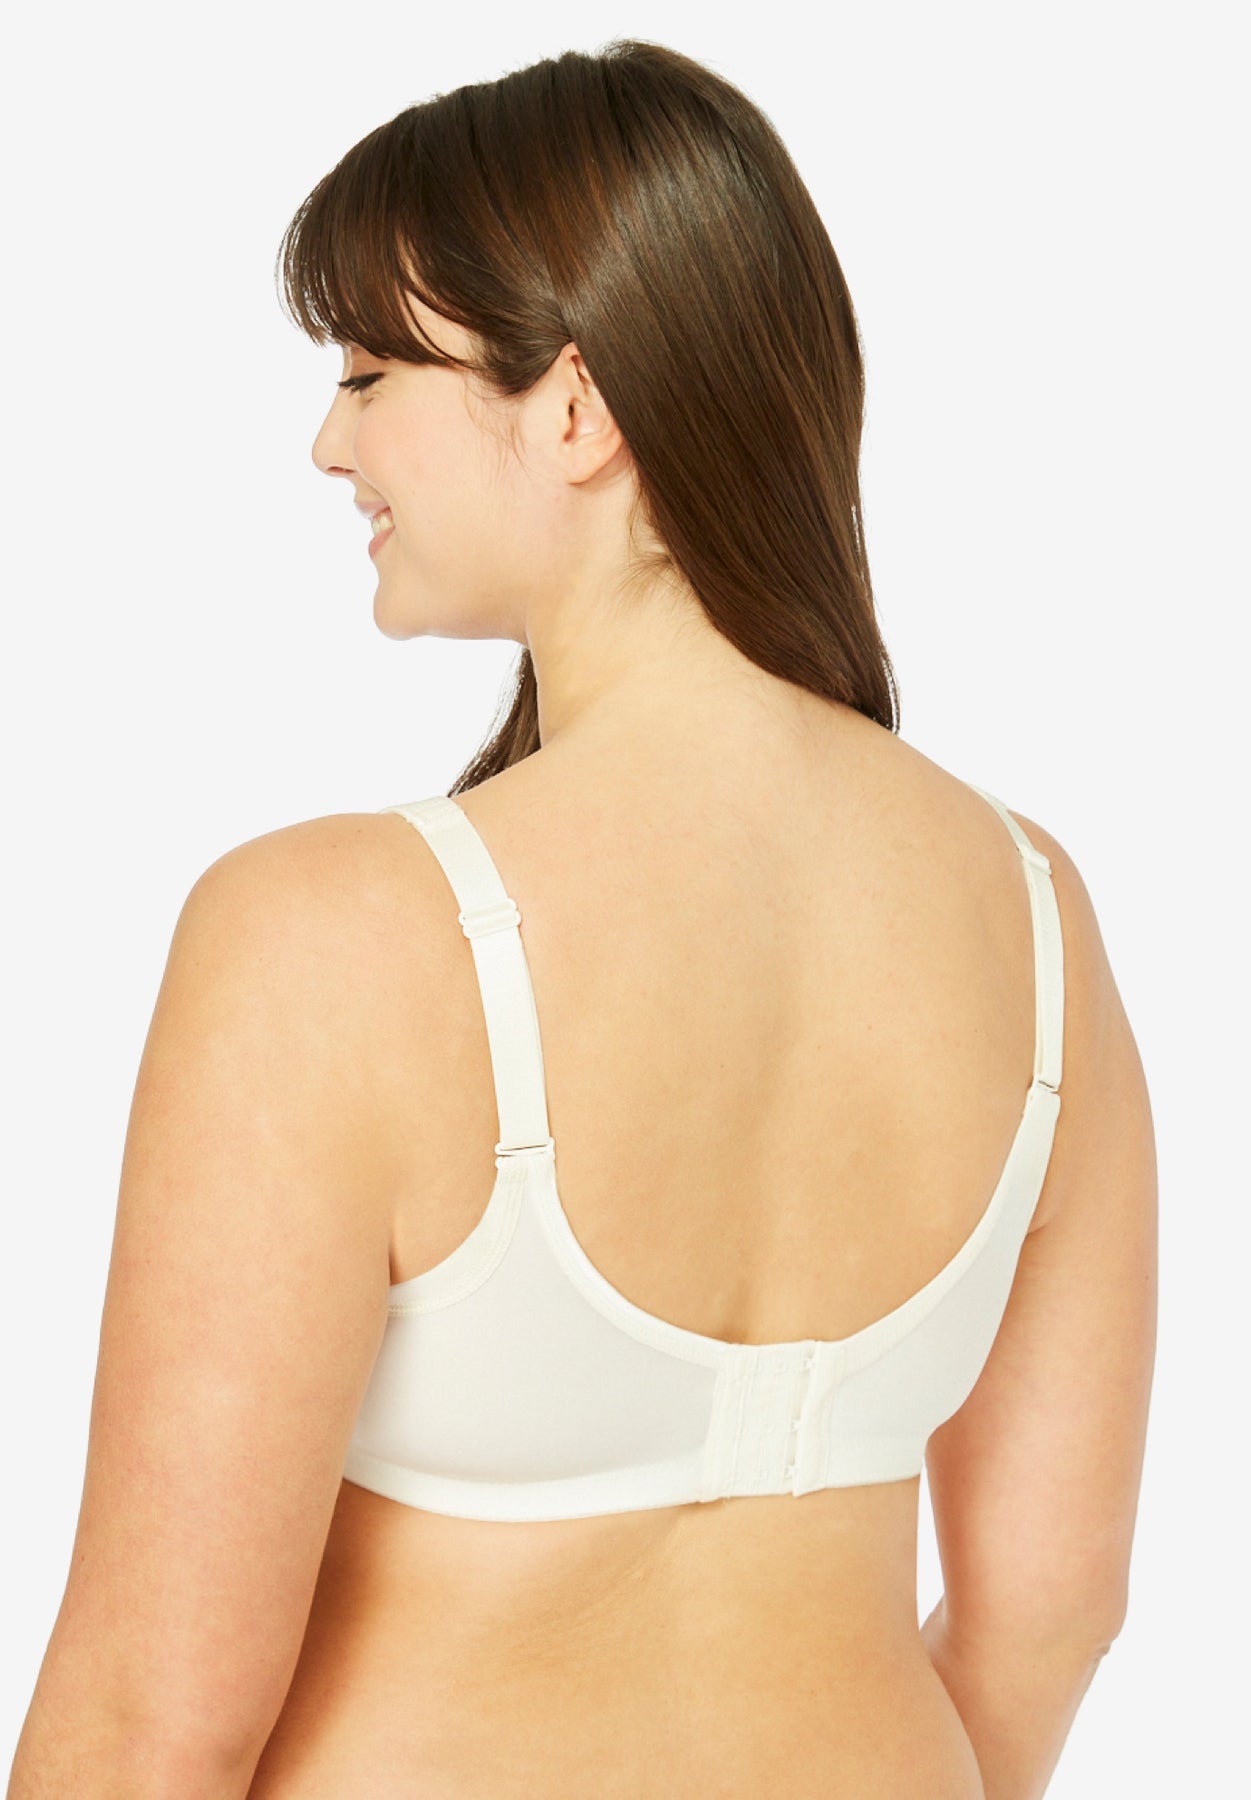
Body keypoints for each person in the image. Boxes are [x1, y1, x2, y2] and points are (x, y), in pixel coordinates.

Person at [8, 38, 1156, 1800]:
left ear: (576, 409)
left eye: (372, 371)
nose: (330, 441)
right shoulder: (1034, 917)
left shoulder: (329, 942)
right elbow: (1051, 1614)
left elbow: (146, 1725)